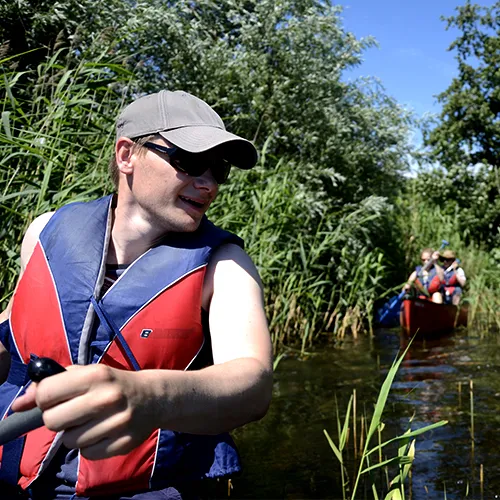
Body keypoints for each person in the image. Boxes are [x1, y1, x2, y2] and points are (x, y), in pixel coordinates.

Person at [0, 90, 273, 499]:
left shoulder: (226, 265)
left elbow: (252, 384)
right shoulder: (44, 232)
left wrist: (147, 397)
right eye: (192, 162)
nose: (209, 183)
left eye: (219, 170)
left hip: (148, 489)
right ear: (127, 154)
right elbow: (14, 336)